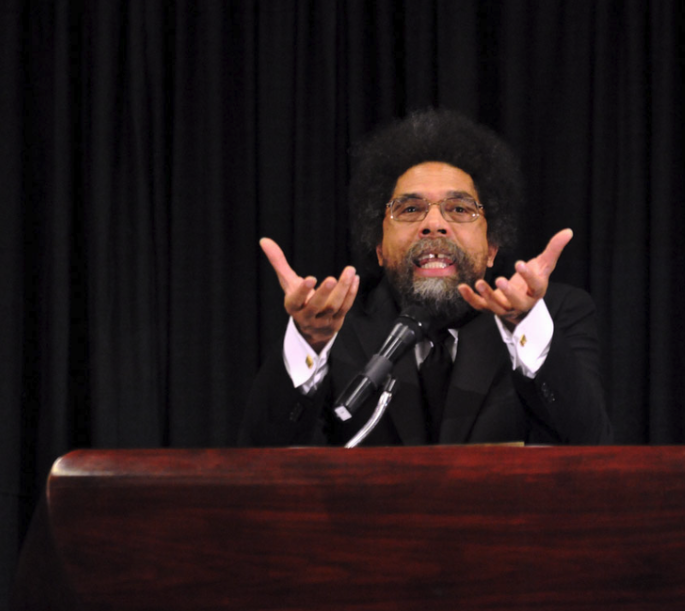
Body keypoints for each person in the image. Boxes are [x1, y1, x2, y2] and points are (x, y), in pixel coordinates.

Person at [239, 109, 611, 446]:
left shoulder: (558, 313)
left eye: (460, 208)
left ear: (492, 248)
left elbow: (591, 444)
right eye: (411, 209)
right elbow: (260, 458)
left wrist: (523, 326)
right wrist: (310, 342)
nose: (434, 225)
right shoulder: (333, 328)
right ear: (380, 248)